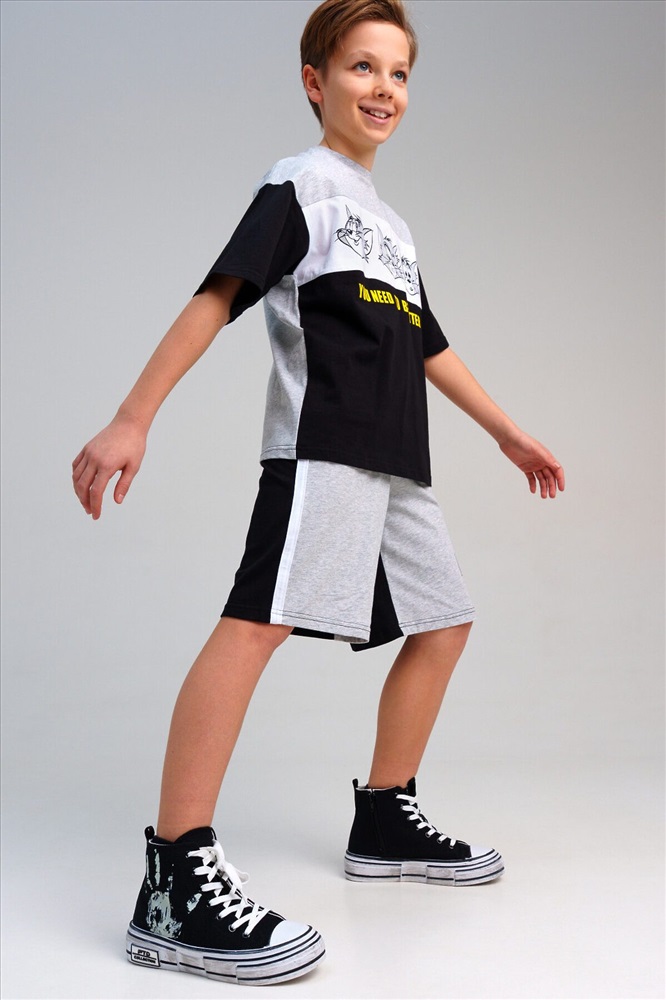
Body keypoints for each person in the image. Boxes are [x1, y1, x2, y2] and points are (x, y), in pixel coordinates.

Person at [72, 0, 564, 987]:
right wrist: (133, 416)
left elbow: (427, 342)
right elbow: (216, 295)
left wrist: (506, 430)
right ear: (316, 81)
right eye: (361, 67)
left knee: (444, 621)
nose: (384, 88)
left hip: (398, 462)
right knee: (258, 624)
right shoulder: (299, 186)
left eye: (400, 72)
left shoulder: (391, 226)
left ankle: (383, 817)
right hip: (324, 450)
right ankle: (172, 881)